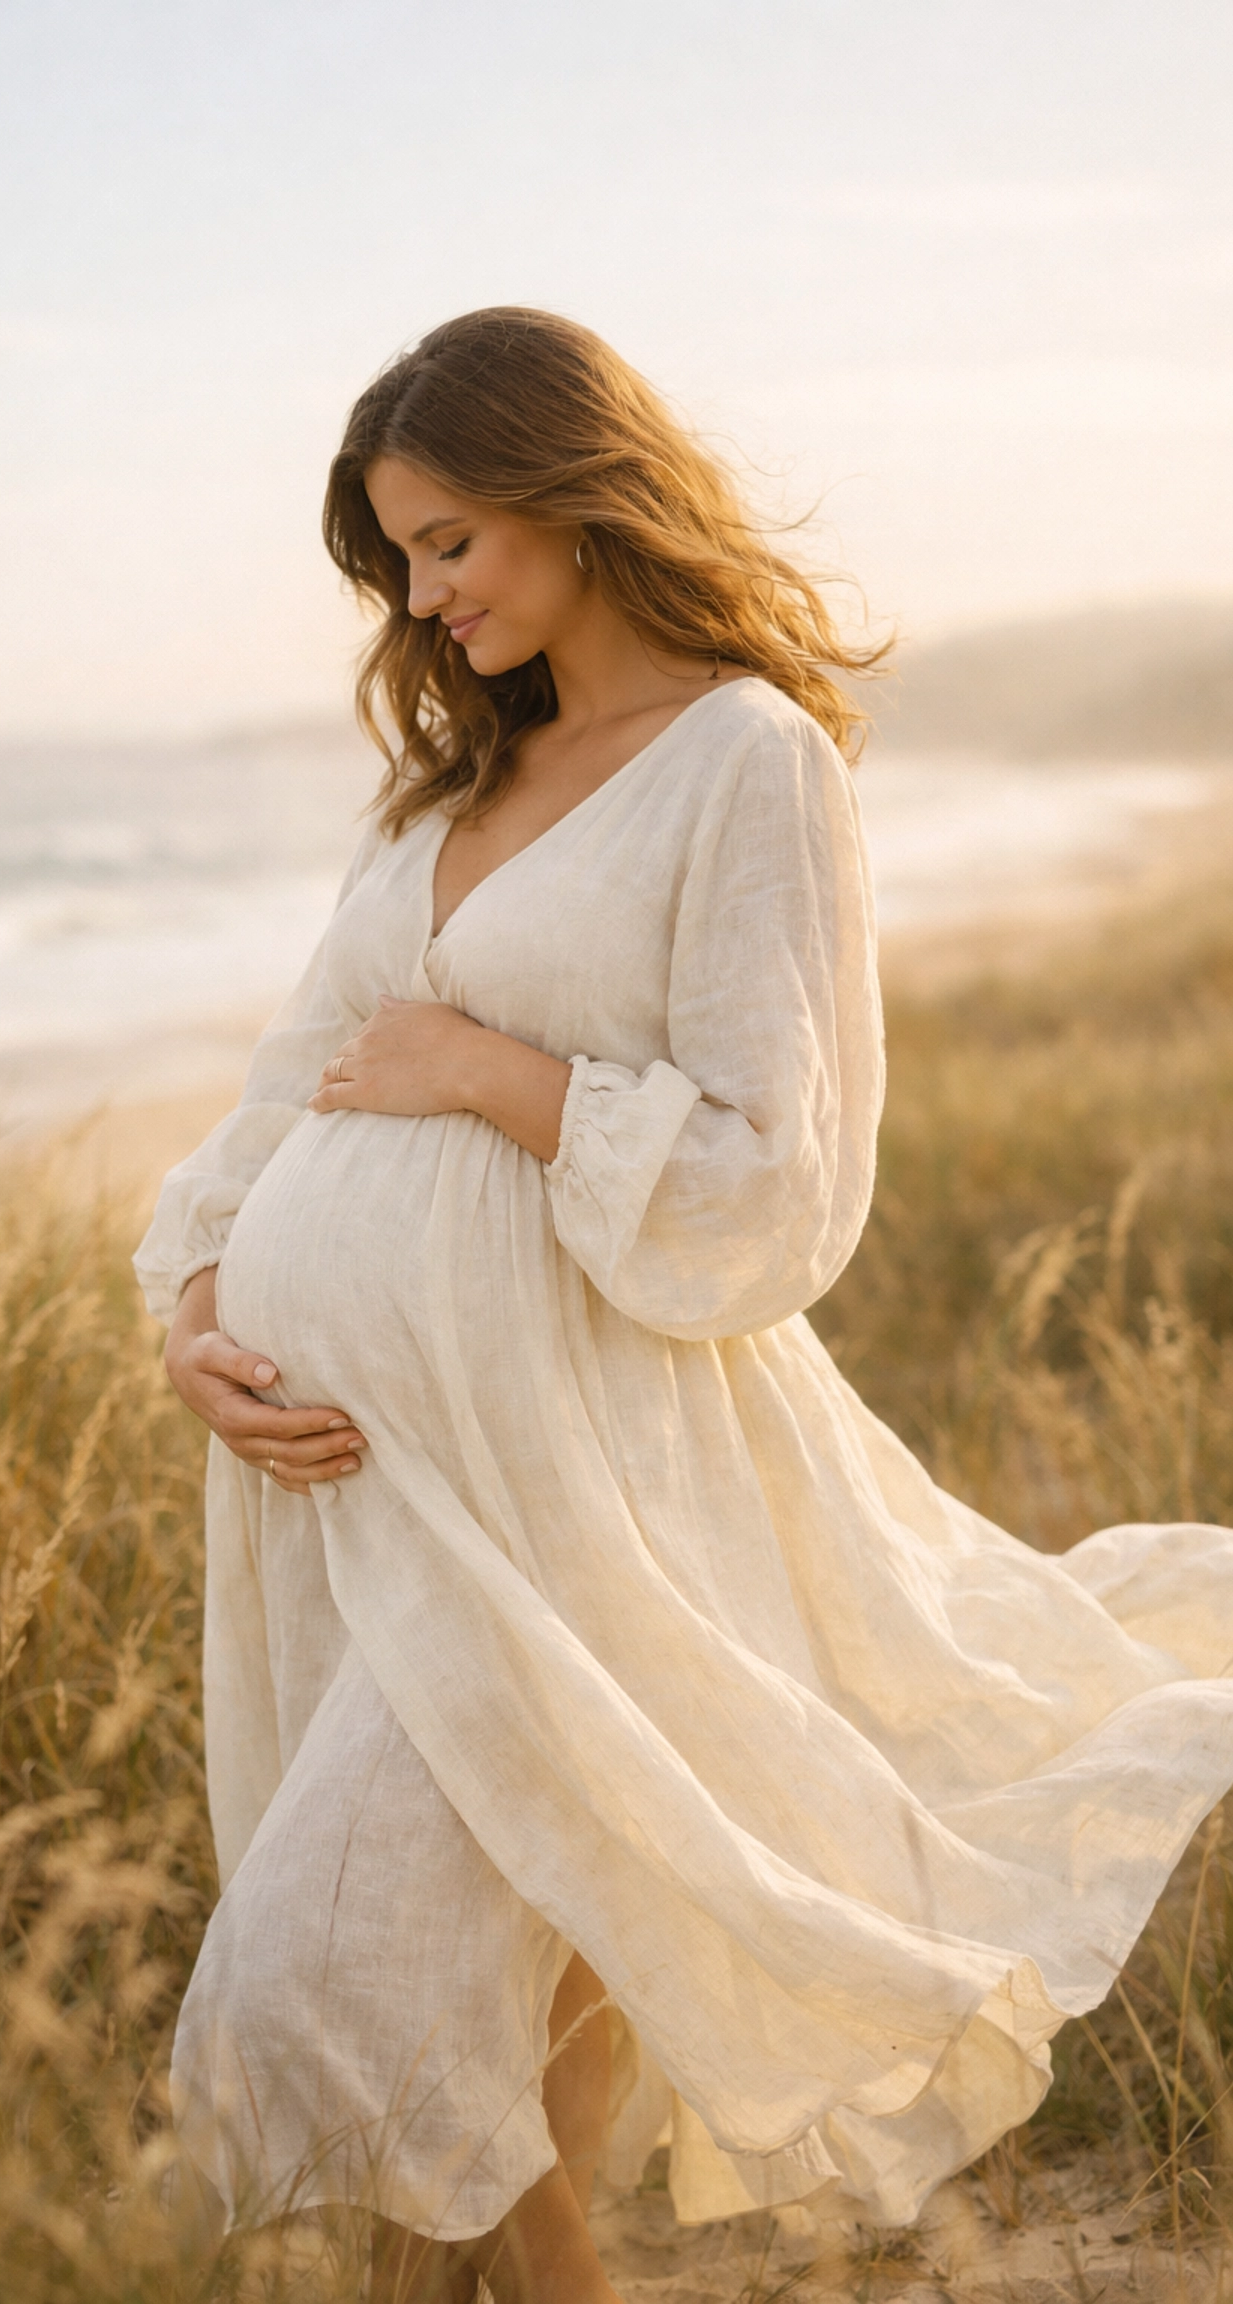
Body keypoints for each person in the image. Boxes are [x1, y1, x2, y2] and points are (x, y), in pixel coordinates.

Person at [135, 307, 1233, 2304]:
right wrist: (203, 1308)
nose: (421, 593)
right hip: (351, 1487)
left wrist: (494, 1074)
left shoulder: (748, 760)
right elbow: (289, 1077)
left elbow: (775, 1186)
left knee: (339, 1992)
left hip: (563, 1488)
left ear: (574, 490)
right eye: (397, 557)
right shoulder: (448, 789)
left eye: (451, 537)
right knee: (487, 2014)